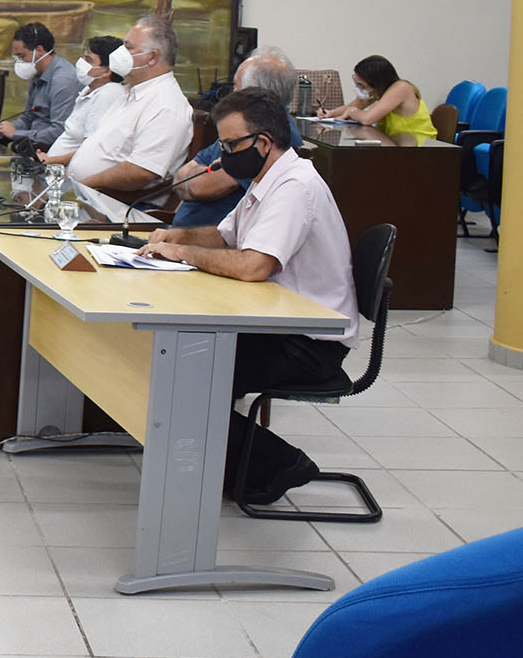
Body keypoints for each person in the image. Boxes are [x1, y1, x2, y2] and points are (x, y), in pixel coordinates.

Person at [138, 88, 361, 504]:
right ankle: (233, 463)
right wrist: (176, 235)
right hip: (276, 323)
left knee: (184, 370)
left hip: (310, 345)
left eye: (230, 145)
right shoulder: (265, 180)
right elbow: (226, 237)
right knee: (173, 360)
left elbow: (253, 265)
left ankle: (278, 463)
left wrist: (182, 252)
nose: (222, 158)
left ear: (262, 142)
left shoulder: (294, 186)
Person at [173, 48, 306, 228]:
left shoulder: (272, 136)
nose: (231, 93)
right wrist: (193, 179)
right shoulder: (239, 128)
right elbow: (180, 178)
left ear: (254, 93)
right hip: (184, 237)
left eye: (236, 86)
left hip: (215, 245)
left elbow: (201, 186)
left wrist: (194, 178)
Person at [63, 16, 194, 198]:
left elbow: (141, 172)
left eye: (128, 47)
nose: (119, 53)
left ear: (152, 57)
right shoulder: (129, 92)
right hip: (83, 197)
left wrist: (83, 186)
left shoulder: (166, 105)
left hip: (114, 209)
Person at [0, 22, 79, 148]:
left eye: (21, 56)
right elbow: (28, 118)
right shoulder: (37, 72)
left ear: (39, 50)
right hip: (31, 141)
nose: (19, 62)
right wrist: (4, 127)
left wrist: (16, 134)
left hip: (50, 148)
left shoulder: (63, 80)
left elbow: (59, 131)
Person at [43, 35, 128, 160]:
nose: (81, 62)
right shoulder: (89, 89)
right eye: (83, 57)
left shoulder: (108, 94)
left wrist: (51, 160)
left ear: (106, 71)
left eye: (88, 60)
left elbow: (90, 148)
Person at [323, 55, 438, 141]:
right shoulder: (379, 92)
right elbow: (355, 105)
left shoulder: (401, 88)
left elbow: (367, 118)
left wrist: (352, 112)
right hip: (395, 144)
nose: (360, 89)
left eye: (362, 86)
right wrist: (331, 113)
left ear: (376, 82)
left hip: (420, 148)